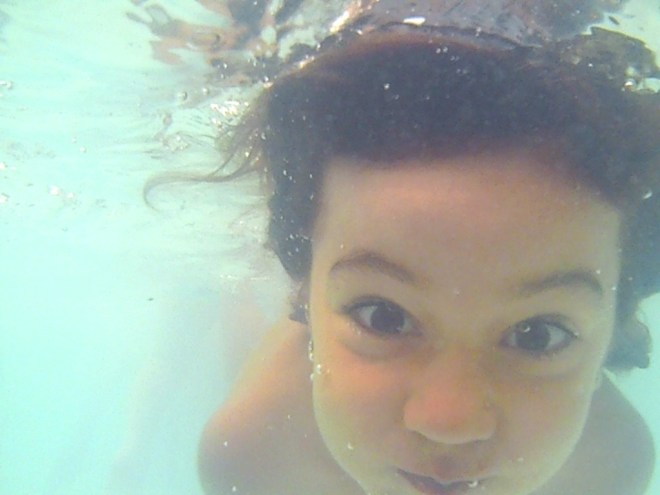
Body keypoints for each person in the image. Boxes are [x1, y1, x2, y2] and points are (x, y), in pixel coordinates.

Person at [197, 1, 660, 493]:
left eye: (537, 335)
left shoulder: (610, 468)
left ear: (613, 333)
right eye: (383, 317)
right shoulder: (255, 458)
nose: (448, 423)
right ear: (304, 298)